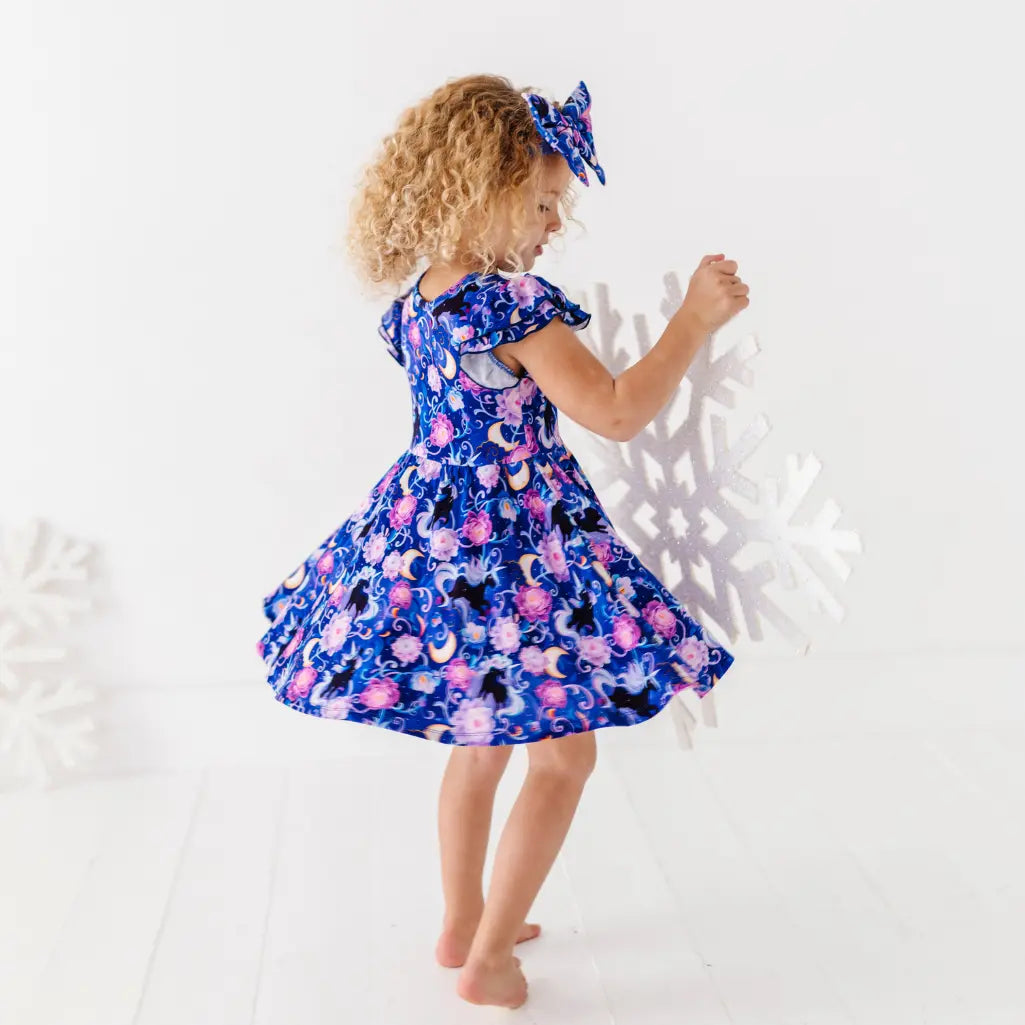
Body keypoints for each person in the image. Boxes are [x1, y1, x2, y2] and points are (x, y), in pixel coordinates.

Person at [256, 74, 749, 1009]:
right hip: (522, 554)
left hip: (431, 538)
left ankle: (460, 920)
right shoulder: (514, 308)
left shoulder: (421, 297)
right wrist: (691, 320)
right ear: (478, 188)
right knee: (562, 757)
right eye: (542, 202)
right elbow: (613, 411)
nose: (553, 225)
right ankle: (488, 959)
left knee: (480, 739)